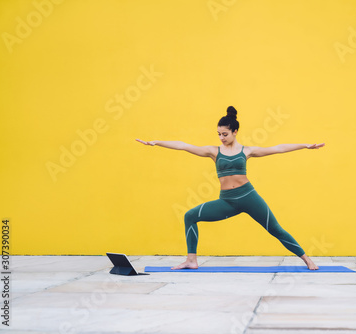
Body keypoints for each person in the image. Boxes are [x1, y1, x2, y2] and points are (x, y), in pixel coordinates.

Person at [136, 106, 324, 270]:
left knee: (275, 229)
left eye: (224, 134)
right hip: (227, 201)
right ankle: (191, 260)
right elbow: (184, 146)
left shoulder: (247, 151)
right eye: (218, 134)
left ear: (235, 131)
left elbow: (278, 148)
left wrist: (305, 146)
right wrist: (157, 142)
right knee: (189, 216)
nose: (221, 138)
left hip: (249, 197)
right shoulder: (214, 151)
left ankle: (306, 259)